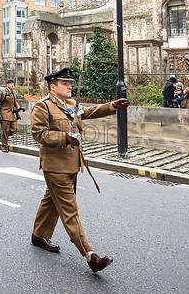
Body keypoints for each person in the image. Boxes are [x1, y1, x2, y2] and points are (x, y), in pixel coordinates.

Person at [30, 67, 129, 273]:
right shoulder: (43, 107)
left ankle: (38, 235)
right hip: (55, 166)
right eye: (65, 84)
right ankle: (90, 256)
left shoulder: (71, 105)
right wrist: (64, 137)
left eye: (70, 83)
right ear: (53, 87)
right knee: (70, 211)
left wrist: (112, 106)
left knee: (51, 200)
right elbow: (39, 134)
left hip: (72, 164)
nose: (69, 86)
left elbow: (89, 112)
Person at [0, 79, 20, 152]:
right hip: (4, 114)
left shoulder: (13, 92)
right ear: (7, 84)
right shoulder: (3, 92)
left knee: (15, 129)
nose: (12, 85)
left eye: (13, 84)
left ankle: (1, 135)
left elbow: (15, 102)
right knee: (5, 130)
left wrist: (18, 108)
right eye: (11, 84)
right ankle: (4, 146)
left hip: (11, 114)